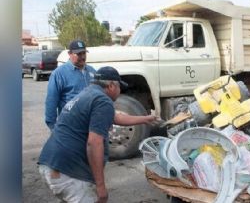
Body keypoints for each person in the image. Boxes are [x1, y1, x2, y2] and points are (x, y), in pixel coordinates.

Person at [38, 66, 160, 203]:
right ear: (112, 85)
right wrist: (100, 186)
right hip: (67, 172)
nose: (120, 91)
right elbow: (94, 143)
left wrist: (145, 119)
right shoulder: (102, 101)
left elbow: (115, 117)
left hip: (50, 163)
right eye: (120, 87)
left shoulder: (89, 94)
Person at [45, 39, 96, 130]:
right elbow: (51, 102)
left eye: (84, 53)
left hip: (91, 125)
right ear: (69, 54)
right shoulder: (59, 74)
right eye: (79, 54)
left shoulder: (92, 71)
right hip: (70, 126)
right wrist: (53, 127)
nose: (82, 57)